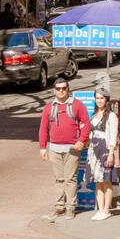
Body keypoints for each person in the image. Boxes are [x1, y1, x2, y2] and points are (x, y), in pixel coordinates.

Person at [38, 77, 90, 221]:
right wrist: (43, 148)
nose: (61, 91)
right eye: (58, 89)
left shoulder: (77, 105)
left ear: (68, 89)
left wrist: (81, 140)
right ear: (54, 91)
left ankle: (70, 208)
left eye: (64, 88)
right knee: (59, 179)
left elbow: (86, 124)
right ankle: (59, 207)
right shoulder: (49, 107)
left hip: (72, 149)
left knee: (70, 179)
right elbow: (43, 128)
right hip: (54, 148)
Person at [88, 86, 120, 221]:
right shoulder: (94, 115)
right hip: (93, 149)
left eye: (101, 98)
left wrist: (111, 153)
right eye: (97, 98)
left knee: (106, 181)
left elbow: (113, 135)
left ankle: (107, 210)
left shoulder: (111, 116)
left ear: (106, 99)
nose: (99, 100)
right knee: (97, 181)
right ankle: (100, 209)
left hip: (105, 148)